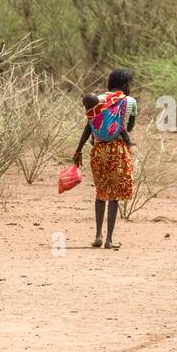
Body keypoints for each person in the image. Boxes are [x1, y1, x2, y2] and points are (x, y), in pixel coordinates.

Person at [73, 69, 138, 249]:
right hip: (119, 150)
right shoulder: (130, 101)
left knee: (101, 193)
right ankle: (109, 239)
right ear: (125, 85)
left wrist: (78, 150)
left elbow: (88, 127)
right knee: (114, 196)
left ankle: (97, 236)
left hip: (99, 150)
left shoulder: (97, 99)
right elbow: (129, 127)